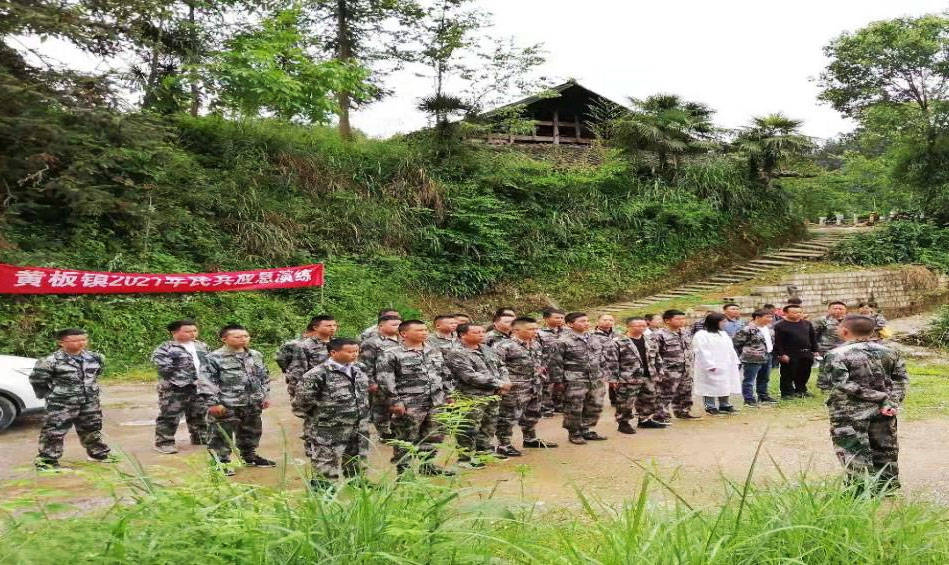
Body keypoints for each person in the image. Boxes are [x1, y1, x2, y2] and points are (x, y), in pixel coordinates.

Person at [817, 315, 908, 493]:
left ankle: (859, 491)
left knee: (852, 449)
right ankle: (887, 488)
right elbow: (901, 380)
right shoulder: (891, 352)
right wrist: (891, 401)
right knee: (884, 447)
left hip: (849, 412)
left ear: (844, 331)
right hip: (884, 410)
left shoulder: (836, 354)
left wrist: (878, 396)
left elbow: (835, 383)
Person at [30, 329, 115, 470]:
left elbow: (95, 374)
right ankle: (47, 462)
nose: (81, 343)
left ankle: (98, 454)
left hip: (89, 401)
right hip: (62, 403)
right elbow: (38, 380)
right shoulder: (50, 361)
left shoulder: (95, 357)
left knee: (92, 428)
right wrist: (51, 396)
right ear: (61, 342)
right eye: (75, 340)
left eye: (84, 339)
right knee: (54, 431)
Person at [376, 320, 454, 476]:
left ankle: (427, 465)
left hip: (436, 401)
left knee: (435, 435)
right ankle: (404, 471)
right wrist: (394, 401)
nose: (424, 332)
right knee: (405, 437)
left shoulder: (434, 351)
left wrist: (449, 394)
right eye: (419, 330)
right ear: (404, 334)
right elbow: (385, 380)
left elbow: (444, 373)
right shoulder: (391, 354)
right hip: (409, 403)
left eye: (425, 329)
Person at [293, 338, 370, 489]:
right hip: (327, 428)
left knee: (357, 456)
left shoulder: (359, 369)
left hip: (357, 424)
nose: (354, 354)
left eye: (356, 351)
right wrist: (323, 416)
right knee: (326, 460)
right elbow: (301, 403)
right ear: (333, 352)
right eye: (349, 352)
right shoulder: (317, 374)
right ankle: (324, 489)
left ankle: (357, 482)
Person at [199, 324, 275, 474]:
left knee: (251, 431)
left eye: (246, 336)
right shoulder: (213, 358)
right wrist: (213, 403)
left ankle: (250, 456)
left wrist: (265, 395)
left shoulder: (255, 355)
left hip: (252, 402)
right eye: (237, 337)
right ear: (224, 339)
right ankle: (221, 462)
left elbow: (264, 376)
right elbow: (206, 381)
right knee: (221, 434)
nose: (243, 339)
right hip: (227, 403)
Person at [445, 324, 512, 467]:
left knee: (489, 424)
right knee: (469, 427)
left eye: (482, 332)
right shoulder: (456, 352)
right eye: (476, 332)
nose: (482, 334)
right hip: (470, 396)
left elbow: (501, 366)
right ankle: (465, 458)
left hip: (492, 394)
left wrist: (505, 381)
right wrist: (499, 383)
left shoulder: (487, 349)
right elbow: (469, 376)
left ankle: (484, 451)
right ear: (462, 335)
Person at [493, 317, 558, 451]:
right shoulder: (504, 346)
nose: (535, 331)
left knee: (532, 413)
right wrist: (502, 384)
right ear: (516, 330)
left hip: (534, 385)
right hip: (514, 388)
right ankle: (504, 445)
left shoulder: (535, 344)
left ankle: (530, 439)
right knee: (508, 417)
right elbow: (495, 366)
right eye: (531, 329)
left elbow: (539, 362)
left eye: (536, 328)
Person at [548, 312, 608, 444]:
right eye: (582, 321)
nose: (586, 323)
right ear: (570, 324)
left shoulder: (593, 338)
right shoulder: (562, 341)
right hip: (574, 380)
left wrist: (604, 374)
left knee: (595, 405)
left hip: (595, 379)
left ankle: (586, 429)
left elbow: (601, 357)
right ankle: (574, 432)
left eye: (587, 321)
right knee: (574, 407)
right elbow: (555, 363)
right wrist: (558, 382)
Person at [282, 315, 337, 458]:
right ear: (316, 327)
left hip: (334, 389)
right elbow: (298, 371)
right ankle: (311, 445)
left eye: (334, 325)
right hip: (313, 389)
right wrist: (297, 393)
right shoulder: (304, 346)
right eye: (328, 325)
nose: (332, 328)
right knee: (313, 419)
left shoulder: (337, 344)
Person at [152, 319, 209, 454]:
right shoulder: (165, 348)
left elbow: (208, 364)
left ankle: (200, 437)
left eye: (194, 330)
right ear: (175, 332)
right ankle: (164, 442)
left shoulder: (202, 346)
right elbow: (163, 368)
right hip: (175, 388)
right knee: (170, 416)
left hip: (199, 386)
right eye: (188, 331)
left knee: (199, 413)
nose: (192, 334)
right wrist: (186, 375)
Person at [602, 317, 663, 435]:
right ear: (629, 327)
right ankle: (623, 423)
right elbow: (611, 361)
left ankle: (644, 420)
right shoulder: (618, 341)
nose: (642, 328)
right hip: (627, 377)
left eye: (644, 326)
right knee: (625, 402)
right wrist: (613, 379)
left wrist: (659, 373)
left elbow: (657, 358)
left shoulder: (650, 340)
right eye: (638, 326)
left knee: (648, 399)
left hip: (648, 375)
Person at [358, 314, 402, 440]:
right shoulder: (371, 343)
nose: (397, 327)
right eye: (394, 325)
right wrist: (371, 382)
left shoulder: (403, 340)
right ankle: (384, 432)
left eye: (399, 324)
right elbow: (366, 364)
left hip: (399, 379)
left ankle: (396, 430)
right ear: (380, 326)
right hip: (380, 380)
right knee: (381, 407)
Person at [654, 309, 700, 421]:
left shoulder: (685, 332)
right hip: (668, 370)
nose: (682, 321)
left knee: (685, 391)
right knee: (665, 393)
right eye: (678, 319)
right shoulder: (659, 335)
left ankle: (683, 411)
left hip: (686, 368)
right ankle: (661, 415)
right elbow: (654, 354)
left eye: (683, 319)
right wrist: (658, 370)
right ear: (667, 321)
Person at [692, 312, 742, 415]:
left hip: (725, 364)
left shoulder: (723, 334)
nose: (725, 324)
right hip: (710, 365)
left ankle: (724, 404)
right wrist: (709, 364)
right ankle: (710, 406)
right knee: (708, 386)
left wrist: (735, 361)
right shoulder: (702, 335)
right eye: (723, 321)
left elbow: (730, 349)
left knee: (724, 385)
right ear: (715, 322)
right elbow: (701, 350)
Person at [733, 309, 777, 407]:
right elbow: (737, 342)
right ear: (757, 317)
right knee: (749, 379)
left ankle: (763, 395)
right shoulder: (747, 329)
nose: (770, 319)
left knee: (764, 377)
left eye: (771, 317)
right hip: (752, 357)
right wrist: (748, 352)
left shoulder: (769, 328)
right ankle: (749, 399)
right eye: (767, 317)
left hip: (767, 355)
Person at [773, 304, 818, 398]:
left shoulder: (807, 323)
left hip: (806, 352)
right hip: (789, 353)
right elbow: (778, 342)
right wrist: (781, 354)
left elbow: (812, 337)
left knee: (804, 373)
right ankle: (787, 393)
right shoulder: (780, 325)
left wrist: (815, 350)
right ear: (785, 313)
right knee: (788, 374)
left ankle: (801, 390)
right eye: (794, 312)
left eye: (800, 312)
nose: (797, 314)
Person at [538, 307, 567, 415]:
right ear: (546, 318)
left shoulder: (567, 332)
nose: (560, 320)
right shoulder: (539, 333)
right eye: (556, 317)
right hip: (547, 365)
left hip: (564, 364)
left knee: (562, 385)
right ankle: (546, 409)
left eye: (561, 317)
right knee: (547, 387)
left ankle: (559, 405)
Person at [590, 314, 617, 407]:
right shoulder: (591, 335)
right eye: (605, 320)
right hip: (599, 364)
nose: (608, 322)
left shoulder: (618, 335)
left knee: (615, 382)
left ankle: (615, 400)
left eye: (610, 320)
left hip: (616, 363)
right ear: (597, 322)